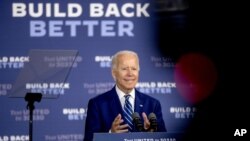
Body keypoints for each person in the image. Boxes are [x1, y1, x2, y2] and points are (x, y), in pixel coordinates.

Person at [84, 50, 166, 141]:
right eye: (124, 69)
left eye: (134, 69)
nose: (130, 73)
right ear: (114, 73)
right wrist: (110, 135)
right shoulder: (97, 104)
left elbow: (164, 138)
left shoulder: (153, 104)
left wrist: (152, 136)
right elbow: (89, 139)